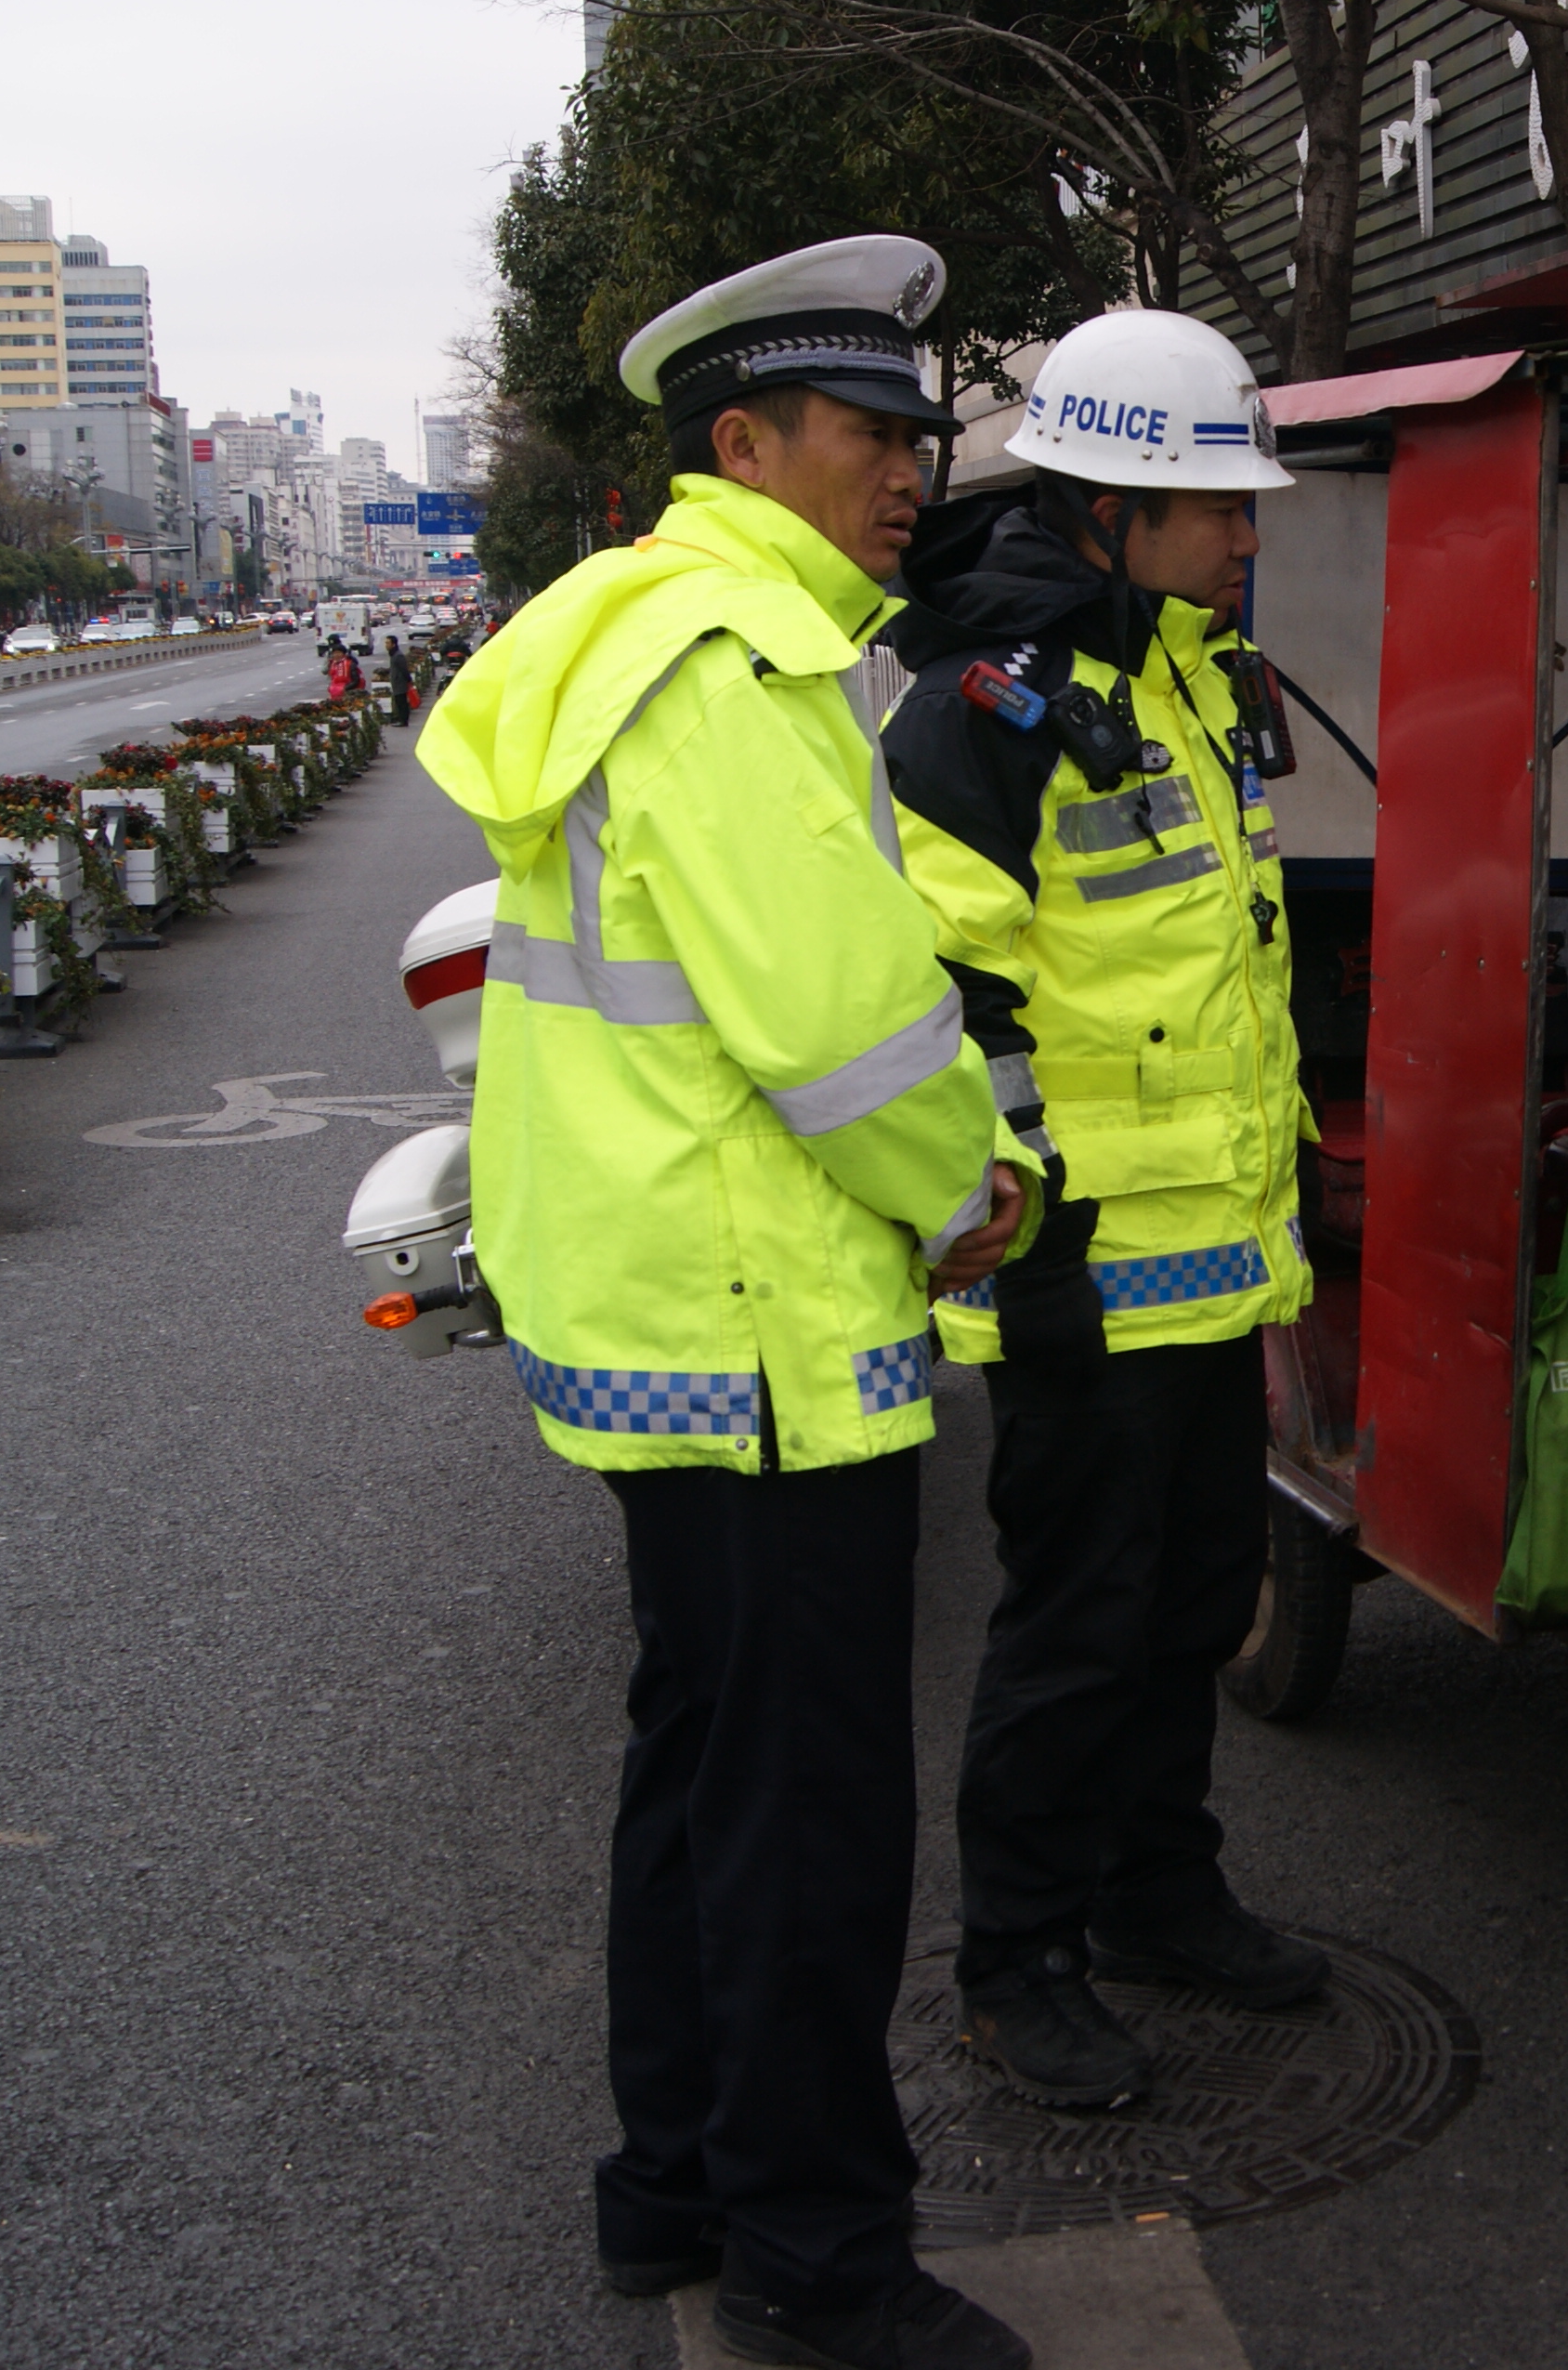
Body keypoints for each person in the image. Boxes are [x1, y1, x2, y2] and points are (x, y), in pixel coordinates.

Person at [418, 234, 1039, 2370]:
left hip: (666, 1308)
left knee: (700, 1764)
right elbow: (842, 1017)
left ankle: (673, 2178)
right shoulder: (738, 659)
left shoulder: (630, 632)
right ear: (742, 445)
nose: (908, 477)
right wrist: (984, 1187)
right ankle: (817, 2254)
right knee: (807, 1814)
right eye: (871, 438)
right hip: (763, 1318)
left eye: (920, 440)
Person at [879, 308, 1325, 2111]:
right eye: (1215, 504)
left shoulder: (1197, 673)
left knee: (1194, 1595)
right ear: (1114, 502)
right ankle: (1018, 1960)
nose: (1246, 534)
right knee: (1070, 1626)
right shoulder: (989, 702)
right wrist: (1025, 1219)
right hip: (1080, 1269)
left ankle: (1159, 1892)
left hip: (1212, 1263)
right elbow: (942, 991)